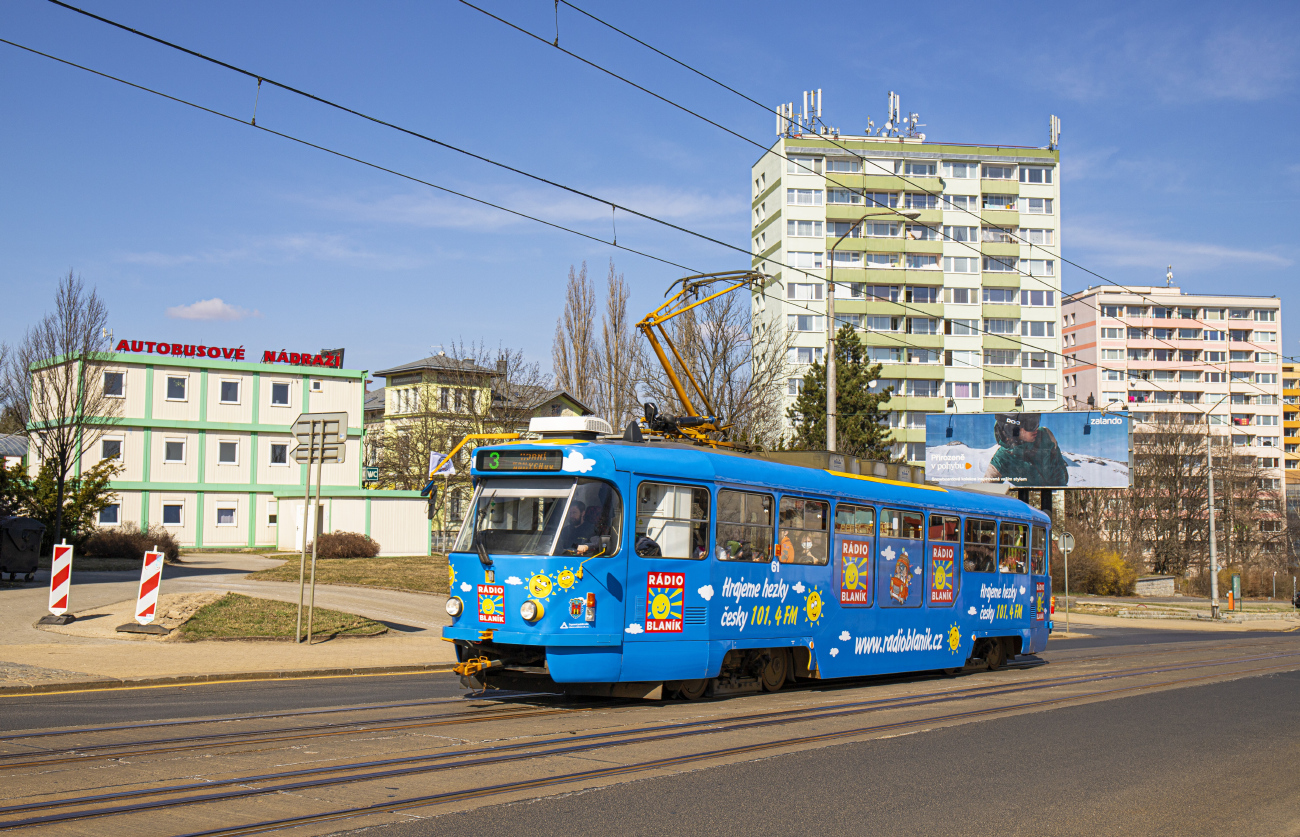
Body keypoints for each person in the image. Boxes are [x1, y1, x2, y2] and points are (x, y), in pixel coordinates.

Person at [984, 413, 1069, 487]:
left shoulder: (1045, 435)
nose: (1036, 428)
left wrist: (1060, 490)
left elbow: (1060, 468)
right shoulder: (1001, 460)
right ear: (1013, 429)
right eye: (1031, 424)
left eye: (1037, 421)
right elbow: (985, 491)